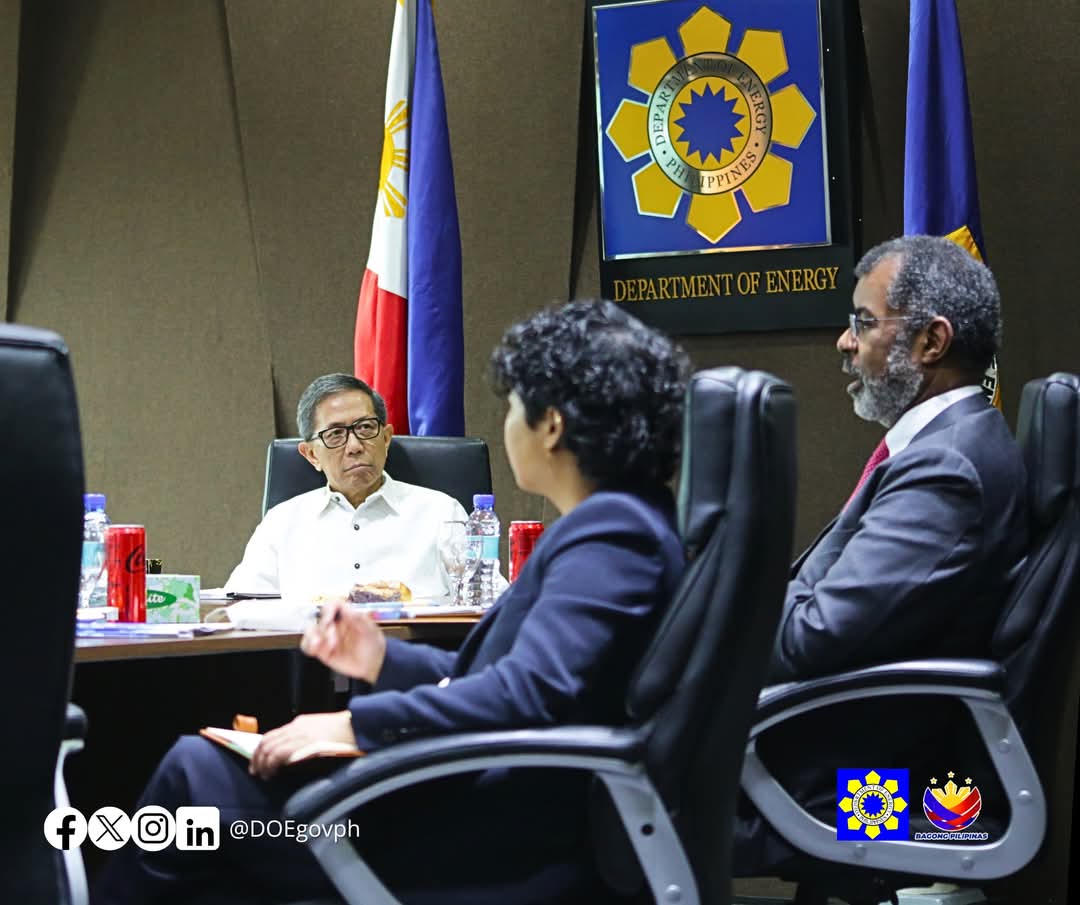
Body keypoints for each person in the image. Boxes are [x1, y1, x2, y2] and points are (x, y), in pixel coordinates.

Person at [93, 300, 689, 904]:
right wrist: (383, 658)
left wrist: (355, 722)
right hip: (477, 795)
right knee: (208, 809)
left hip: (476, 831)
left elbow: (526, 695)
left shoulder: (612, 536)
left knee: (194, 777)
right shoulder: (622, 525)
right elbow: (499, 677)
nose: (508, 422)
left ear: (552, 425)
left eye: (513, 405)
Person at [738, 235, 1029, 876]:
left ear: (931, 341)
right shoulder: (945, 447)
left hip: (860, 792)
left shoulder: (948, 468)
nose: (845, 341)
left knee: (598, 793)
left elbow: (813, 636)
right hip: (852, 753)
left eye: (864, 323)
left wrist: (717, 615)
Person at [223, 373, 467, 600]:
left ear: (386, 438)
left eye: (365, 428)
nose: (355, 446)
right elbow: (242, 606)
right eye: (336, 434)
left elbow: (481, 604)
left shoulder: (442, 513)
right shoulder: (281, 523)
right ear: (311, 455)